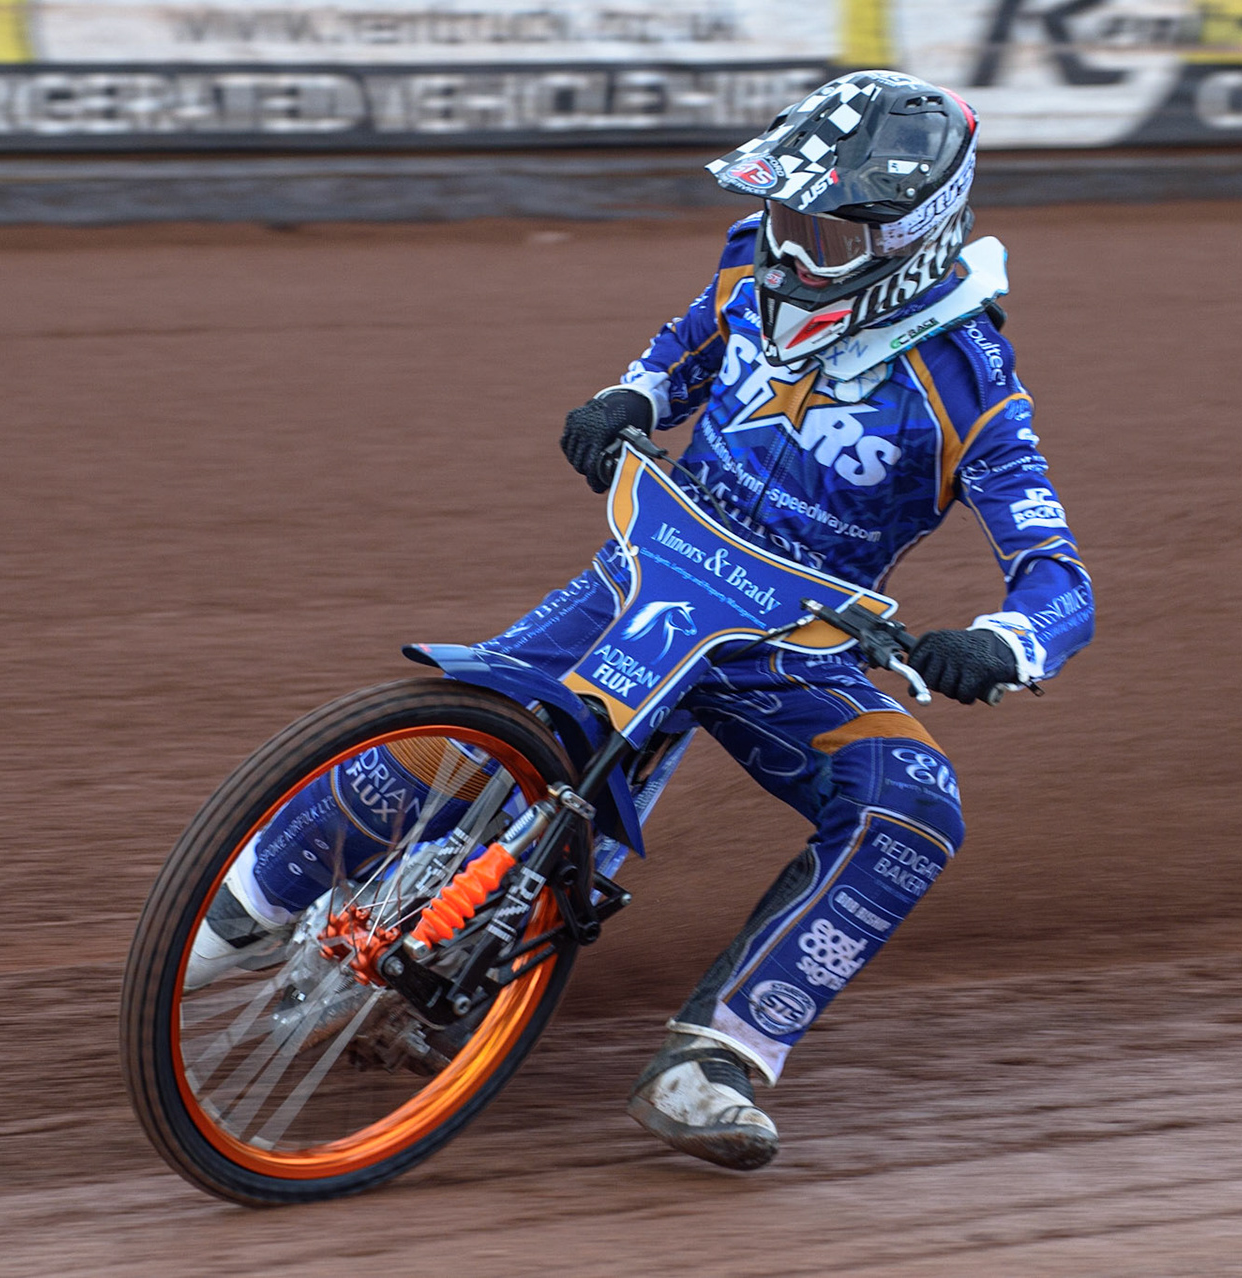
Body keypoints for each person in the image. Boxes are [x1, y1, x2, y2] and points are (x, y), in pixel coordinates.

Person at [191, 70, 1094, 1173]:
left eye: (824, 231)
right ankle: (242, 906)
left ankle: (718, 1057)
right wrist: (635, 395)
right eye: (783, 216)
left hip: (791, 649)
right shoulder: (749, 258)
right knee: (475, 709)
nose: (792, 249)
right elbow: (686, 346)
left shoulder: (975, 386)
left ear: (912, 233)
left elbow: (1059, 579)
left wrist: (1005, 643)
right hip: (651, 572)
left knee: (914, 807)